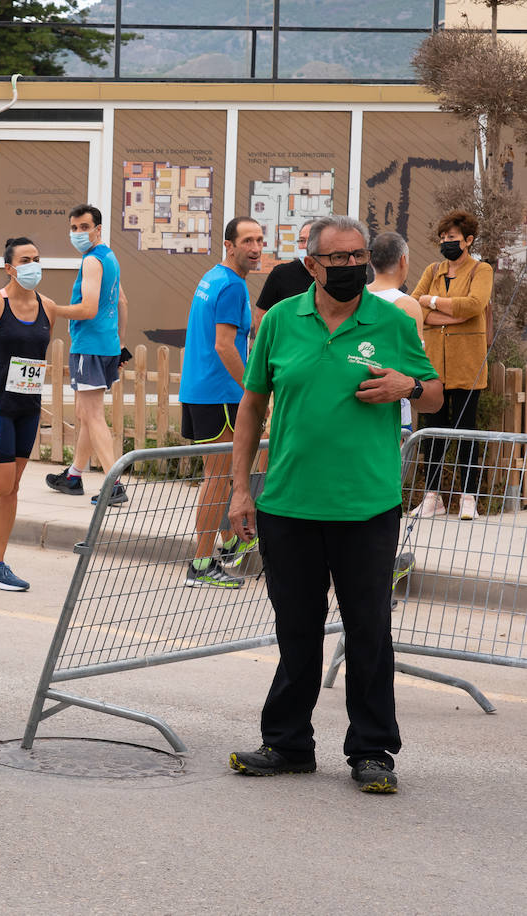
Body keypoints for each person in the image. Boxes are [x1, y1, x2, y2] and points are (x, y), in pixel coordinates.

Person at [227, 215, 442, 795]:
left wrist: (409, 387)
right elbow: (251, 407)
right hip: (290, 504)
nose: (351, 266)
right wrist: (242, 487)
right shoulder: (278, 322)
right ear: (312, 265)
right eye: (338, 258)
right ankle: (288, 743)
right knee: (296, 629)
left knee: (369, 631)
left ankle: (372, 752)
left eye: (359, 257)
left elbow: (435, 392)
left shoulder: (392, 323)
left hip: (366, 507)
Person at [0, 236, 55, 592]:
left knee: (11, 488)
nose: (33, 265)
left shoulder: (48, 307)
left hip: (27, 407)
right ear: (9, 268)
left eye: (37, 257)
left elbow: (39, 358)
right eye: (25, 260)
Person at [179, 217, 264, 588]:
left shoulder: (212, 277)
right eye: (247, 241)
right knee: (218, 479)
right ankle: (201, 564)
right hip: (220, 394)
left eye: (260, 240)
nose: (256, 248)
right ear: (229, 245)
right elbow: (224, 345)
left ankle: (228, 543)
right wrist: (251, 389)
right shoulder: (231, 286)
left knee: (221, 476)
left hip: (201, 390)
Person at [410, 209, 493, 520]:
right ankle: (432, 496)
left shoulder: (480, 270)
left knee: (465, 432)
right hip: (433, 365)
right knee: (431, 431)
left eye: (453, 239)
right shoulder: (433, 270)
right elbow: (414, 300)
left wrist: (432, 303)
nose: (447, 243)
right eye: (443, 238)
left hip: (467, 365)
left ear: (468, 240)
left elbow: (474, 305)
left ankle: (467, 495)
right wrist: (449, 313)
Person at [45, 205, 128, 506]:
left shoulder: (92, 261)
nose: (78, 233)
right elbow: (122, 301)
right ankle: (73, 476)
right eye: (74, 228)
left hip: (89, 347)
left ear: (98, 228)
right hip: (105, 345)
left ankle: (114, 484)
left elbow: (89, 308)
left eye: (84, 227)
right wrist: (119, 342)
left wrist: (52, 309)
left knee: (92, 416)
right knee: (85, 413)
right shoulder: (110, 258)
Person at [366, 231, 425, 434]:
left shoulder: (357, 298)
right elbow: (415, 363)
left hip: (356, 397)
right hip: (394, 404)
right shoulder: (407, 305)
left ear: (371, 262)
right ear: (403, 260)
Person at [253, 218, 317, 326]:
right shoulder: (281, 274)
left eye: (311, 240)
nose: (305, 245)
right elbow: (261, 315)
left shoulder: (331, 274)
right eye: (302, 240)